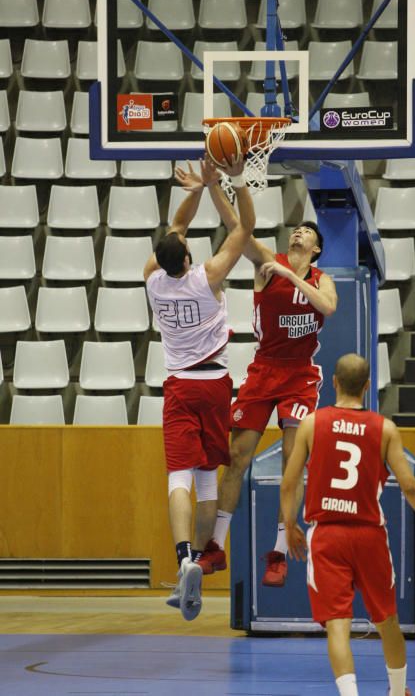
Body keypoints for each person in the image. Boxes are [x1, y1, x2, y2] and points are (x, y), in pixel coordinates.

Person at [280, 353, 415, 696]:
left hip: (327, 535)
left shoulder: (312, 423)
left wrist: (289, 524)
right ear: (368, 386)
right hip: (369, 534)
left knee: (337, 626)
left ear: (335, 383)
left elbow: (289, 482)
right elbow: (411, 486)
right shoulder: (385, 428)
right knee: (387, 620)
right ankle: (398, 691)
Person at [144, 155, 255, 621]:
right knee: (209, 477)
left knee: (178, 478)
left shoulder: (152, 280)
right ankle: (207, 553)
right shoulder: (207, 278)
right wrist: (213, 183)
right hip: (215, 386)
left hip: (179, 386)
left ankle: (185, 557)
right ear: (187, 257)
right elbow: (243, 230)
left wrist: (191, 192)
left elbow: (175, 227)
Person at [198, 217, 338, 586]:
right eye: (296, 230)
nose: (298, 233)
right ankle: (216, 544)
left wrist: (292, 276)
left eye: (307, 232)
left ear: (316, 248)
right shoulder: (266, 262)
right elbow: (237, 226)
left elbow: (328, 308)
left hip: (300, 375)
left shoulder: (321, 279)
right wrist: (224, 184)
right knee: (237, 457)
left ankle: (278, 550)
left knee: (294, 461)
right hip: (264, 370)